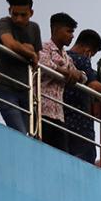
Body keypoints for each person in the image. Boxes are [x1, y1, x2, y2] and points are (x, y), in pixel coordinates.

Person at [61, 28, 101, 164]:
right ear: (88, 51)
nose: (90, 57)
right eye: (92, 54)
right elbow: (92, 84)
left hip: (61, 119)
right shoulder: (82, 60)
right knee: (85, 161)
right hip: (81, 125)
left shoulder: (62, 58)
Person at [0, 0, 43, 135]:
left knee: (29, 135)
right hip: (5, 88)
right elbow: (10, 44)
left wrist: (30, 51)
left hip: (26, 91)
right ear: (10, 10)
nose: (19, 19)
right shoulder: (4, 23)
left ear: (31, 13)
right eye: (15, 14)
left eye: (23, 15)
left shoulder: (34, 28)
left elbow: (37, 58)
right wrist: (28, 51)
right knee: (19, 133)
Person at [37, 12, 86, 151]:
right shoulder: (44, 47)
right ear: (56, 30)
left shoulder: (66, 56)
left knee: (61, 154)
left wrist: (77, 74)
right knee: (42, 150)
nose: (72, 36)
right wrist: (66, 72)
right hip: (42, 110)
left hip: (59, 114)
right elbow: (44, 63)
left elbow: (83, 77)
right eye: (69, 31)